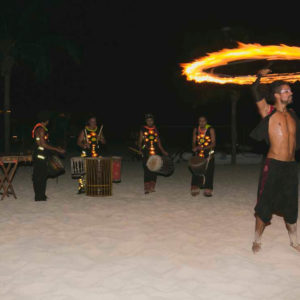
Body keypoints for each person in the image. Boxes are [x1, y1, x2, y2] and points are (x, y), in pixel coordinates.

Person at [250, 68, 300, 253]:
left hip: (291, 167)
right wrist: (259, 76)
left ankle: (294, 241)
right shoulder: (268, 112)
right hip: (273, 165)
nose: (291, 93)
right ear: (277, 95)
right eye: (287, 91)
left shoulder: (293, 115)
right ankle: (257, 240)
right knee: (265, 204)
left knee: (292, 204)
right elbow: (255, 91)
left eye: (290, 91)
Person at [32, 111, 65, 201]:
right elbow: (43, 144)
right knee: (41, 176)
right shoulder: (41, 129)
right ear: (46, 120)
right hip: (40, 155)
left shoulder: (38, 128)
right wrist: (57, 149)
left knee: (40, 175)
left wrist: (54, 147)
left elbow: (43, 143)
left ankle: (40, 195)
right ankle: (39, 196)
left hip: (38, 154)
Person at [138, 114, 168, 194]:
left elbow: (158, 142)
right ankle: (146, 187)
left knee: (154, 168)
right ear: (146, 121)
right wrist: (140, 149)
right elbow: (140, 141)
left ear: (153, 121)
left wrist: (163, 150)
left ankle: (152, 186)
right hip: (146, 151)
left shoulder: (156, 129)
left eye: (151, 120)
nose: (149, 122)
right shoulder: (143, 129)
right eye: (148, 120)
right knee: (147, 168)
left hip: (155, 151)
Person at [76, 116, 106, 193]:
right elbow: (78, 142)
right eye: (92, 121)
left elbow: (104, 142)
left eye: (95, 121)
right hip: (86, 152)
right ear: (89, 122)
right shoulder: (84, 130)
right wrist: (84, 145)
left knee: (98, 170)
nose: (94, 123)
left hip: (96, 152)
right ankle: (82, 188)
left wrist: (101, 138)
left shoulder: (99, 130)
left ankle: (96, 186)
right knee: (83, 170)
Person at [191, 116, 216, 197]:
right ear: (198, 122)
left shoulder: (211, 129)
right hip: (199, 153)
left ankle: (208, 188)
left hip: (209, 152)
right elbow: (194, 141)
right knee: (196, 169)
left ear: (206, 121)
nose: (202, 122)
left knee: (209, 171)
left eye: (203, 121)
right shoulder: (196, 129)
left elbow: (213, 143)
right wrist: (194, 147)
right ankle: (195, 187)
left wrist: (204, 148)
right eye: (200, 121)